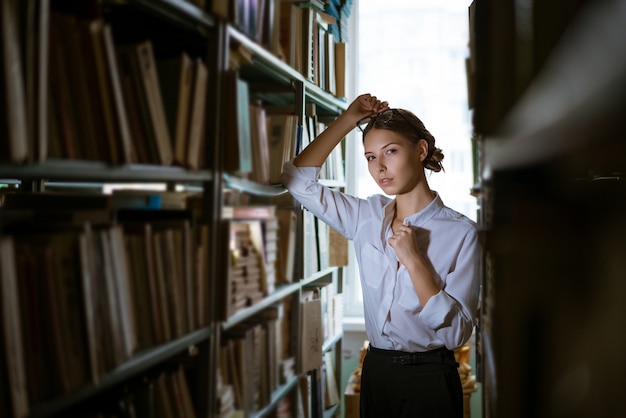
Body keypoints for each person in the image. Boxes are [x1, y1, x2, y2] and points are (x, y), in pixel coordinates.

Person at [280, 93, 480, 417]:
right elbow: (296, 181)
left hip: (430, 379)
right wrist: (347, 120)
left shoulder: (463, 233)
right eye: (371, 157)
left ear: (421, 150)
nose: (380, 167)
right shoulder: (365, 216)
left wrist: (415, 261)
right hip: (376, 372)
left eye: (390, 151)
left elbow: (456, 333)